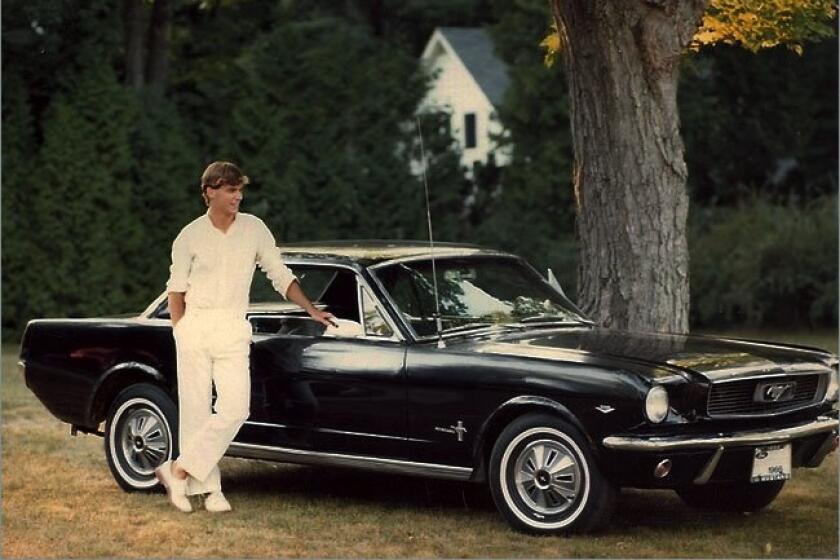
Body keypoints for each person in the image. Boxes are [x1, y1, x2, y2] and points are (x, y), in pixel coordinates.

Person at [154, 161, 335, 513]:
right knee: (195, 410)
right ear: (209, 192)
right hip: (195, 327)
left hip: (233, 327)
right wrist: (181, 331)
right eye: (230, 190)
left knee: (236, 408)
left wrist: (311, 310)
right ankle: (210, 490)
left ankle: (177, 470)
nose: (238, 196)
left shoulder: (254, 229)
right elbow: (175, 288)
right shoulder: (189, 235)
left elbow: (279, 274)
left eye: (240, 190)